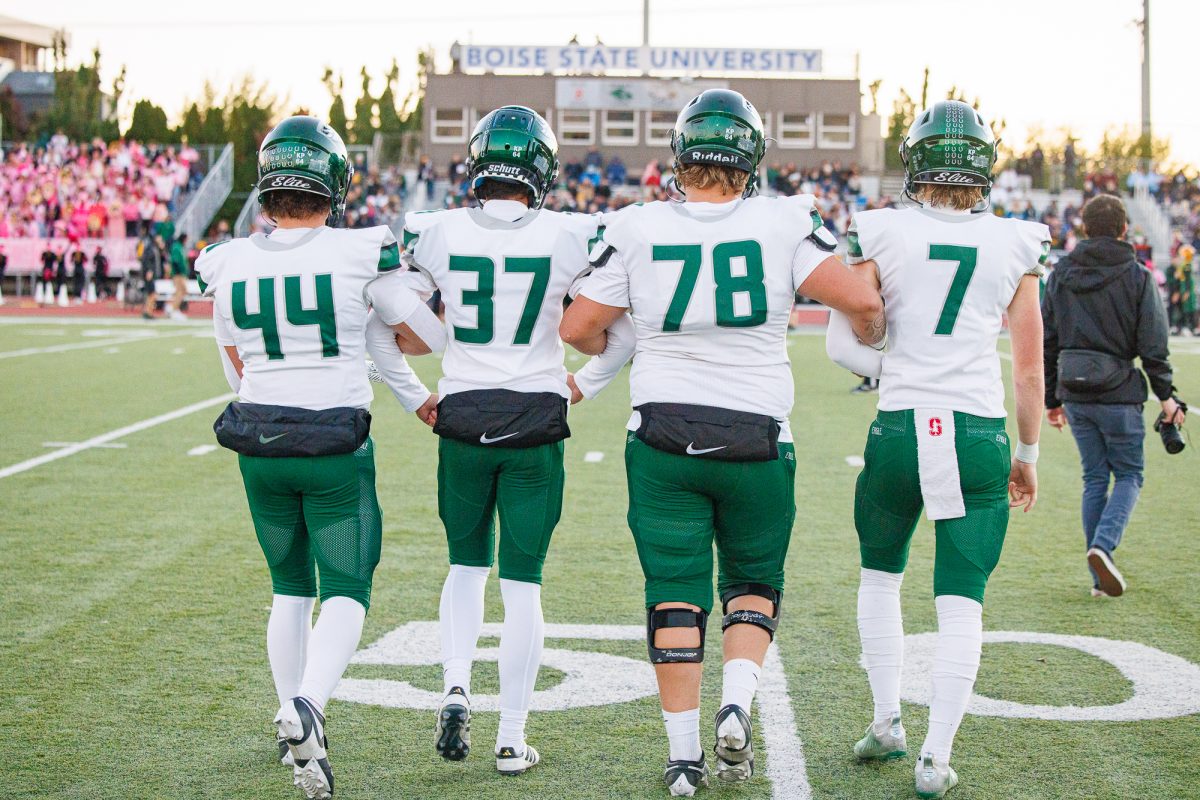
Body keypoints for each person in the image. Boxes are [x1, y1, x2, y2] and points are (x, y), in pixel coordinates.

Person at [560, 89, 886, 796]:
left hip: (663, 438)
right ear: (751, 157)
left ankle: (682, 759)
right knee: (751, 585)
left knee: (674, 592)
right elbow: (861, 303)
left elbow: (579, 329)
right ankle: (736, 703)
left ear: (679, 157)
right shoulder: (784, 219)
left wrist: (636, 328)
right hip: (755, 437)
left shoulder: (638, 224)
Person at [373, 106, 634, 777]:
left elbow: (381, 322)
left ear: (476, 161)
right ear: (542, 170)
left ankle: (457, 684)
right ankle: (513, 737)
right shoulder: (577, 233)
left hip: (461, 415)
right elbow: (625, 330)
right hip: (536, 419)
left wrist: (415, 396)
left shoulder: (431, 231)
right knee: (523, 585)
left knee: (465, 567)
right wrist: (586, 383)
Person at [196, 115, 444, 800]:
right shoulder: (359, 250)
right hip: (333, 442)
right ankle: (308, 706)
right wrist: (426, 306)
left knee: (288, 586)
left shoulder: (229, 259)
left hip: (259, 440)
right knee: (347, 587)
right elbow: (425, 332)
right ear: (334, 184)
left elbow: (231, 358)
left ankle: (295, 733)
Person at [828, 99, 1046, 800]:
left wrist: (897, 371)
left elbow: (856, 333)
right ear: (984, 167)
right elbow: (1030, 367)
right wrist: (1030, 454)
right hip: (978, 430)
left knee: (879, 578)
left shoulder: (881, 228)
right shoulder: (1018, 242)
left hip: (898, 426)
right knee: (961, 602)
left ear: (915, 162)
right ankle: (935, 756)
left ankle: (886, 720)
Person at [1042, 194, 1185, 598]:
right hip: (1119, 392)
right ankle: (1102, 547)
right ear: (1124, 229)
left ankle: (1098, 579)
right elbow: (1153, 344)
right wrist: (1167, 396)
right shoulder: (1137, 275)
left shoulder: (1060, 273)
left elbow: (1048, 340)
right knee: (1129, 474)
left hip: (1075, 392)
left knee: (1093, 479)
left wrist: (1053, 399)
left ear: (1084, 227)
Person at [140, 235, 164, 319]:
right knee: (152, 294)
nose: (161, 240)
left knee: (151, 294)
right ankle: (148, 312)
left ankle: (148, 312)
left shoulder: (155, 248)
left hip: (153, 275)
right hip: (150, 274)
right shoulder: (151, 248)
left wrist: (162, 248)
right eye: (159, 238)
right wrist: (149, 271)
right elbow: (148, 260)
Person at [168, 233, 189, 319]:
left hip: (181, 273)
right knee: (181, 291)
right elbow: (175, 260)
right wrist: (179, 273)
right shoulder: (177, 247)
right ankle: (174, 309)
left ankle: (172, 307)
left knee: (181, 291)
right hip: (178, 273)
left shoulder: (180, 247)